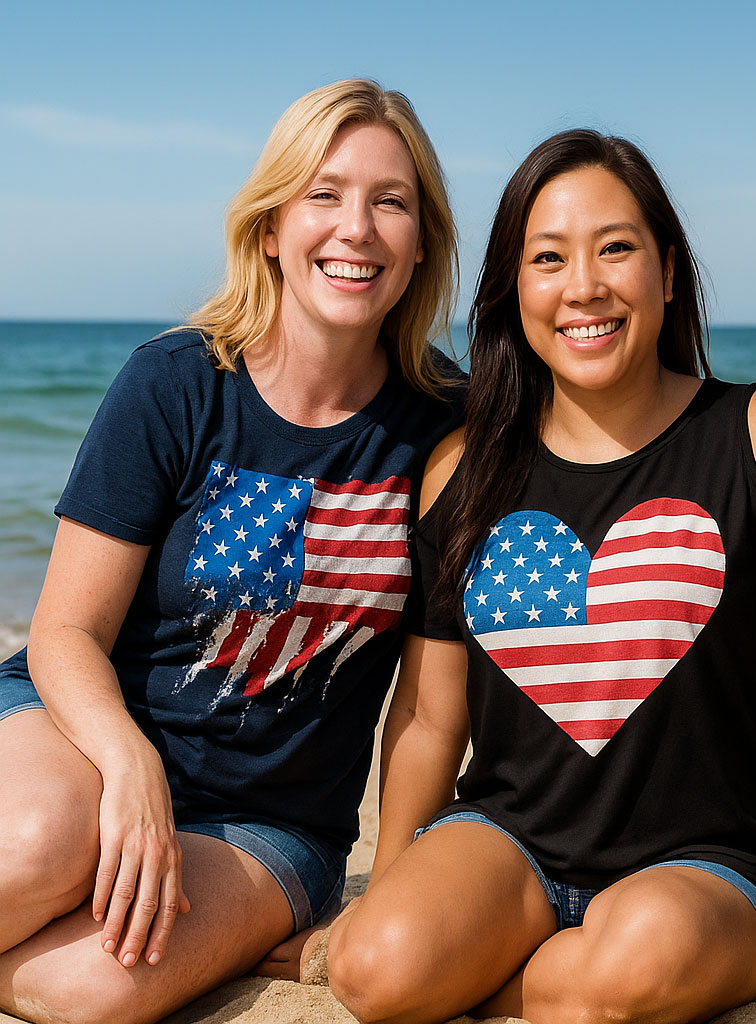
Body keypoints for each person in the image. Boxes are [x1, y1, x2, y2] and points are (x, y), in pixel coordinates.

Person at [324, 129, 756, 1024]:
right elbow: (427, 711)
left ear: (668, 272)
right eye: (548, 258)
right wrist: (398, 877)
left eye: (616, 248)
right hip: (509, 843)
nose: (585, 287)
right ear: (513, 288)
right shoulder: (463, 468)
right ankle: (519, 961)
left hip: (710, 870)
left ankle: (517, 977)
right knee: (377, 965)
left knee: (633, 959)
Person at [0, 79, 461, 1024]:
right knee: (38, 849)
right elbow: (65, 632)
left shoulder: (446, 426)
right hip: (81, 729)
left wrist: (398, 895)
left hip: (272, 823)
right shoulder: (175, 381)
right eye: (324, 194)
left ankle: (237, 930)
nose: (357, 228)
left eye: (391, 201)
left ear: (420, 247)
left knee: (90, 991)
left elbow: (428, 692)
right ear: (270, 229)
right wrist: (128, 770)